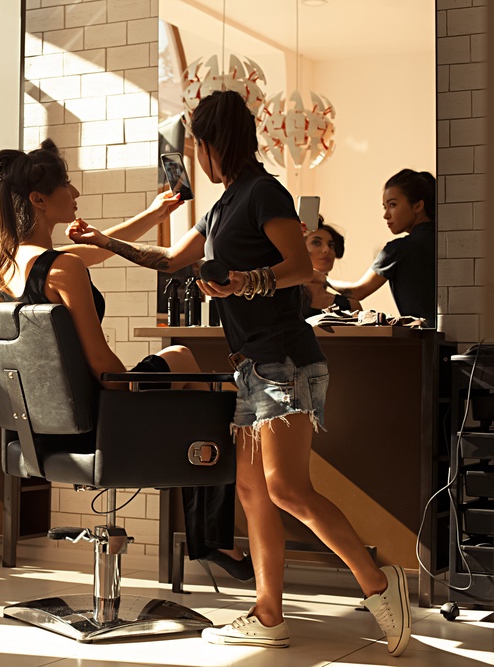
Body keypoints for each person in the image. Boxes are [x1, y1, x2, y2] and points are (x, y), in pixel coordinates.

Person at [68, 91, 411, 655]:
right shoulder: (223, 205)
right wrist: (104, 241)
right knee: (252, 489)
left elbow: (299, 266)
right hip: (253, 364)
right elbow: (173, 260)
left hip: (285, 358)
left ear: (213, 143)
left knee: (284, 487)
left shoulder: (263, 192)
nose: (198, 156)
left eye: (199, 144)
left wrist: (240, 284)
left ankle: (380, 583)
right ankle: (268, 613)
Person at [0, 138, 252, 582]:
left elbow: (101, 248)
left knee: (183, 374)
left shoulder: (13, 265)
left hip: (42, 427)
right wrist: (138, 390)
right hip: (101, 416)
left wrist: (156, 214)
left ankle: (209, 537)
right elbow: (100, 364)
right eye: (68, 186)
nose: (75, 195)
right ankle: (212, 538)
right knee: (195, 373)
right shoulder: (63, 268)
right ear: (39, 199)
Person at [316, 169, 436, 326]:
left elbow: (357, 291)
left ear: (418, 205)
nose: (386, 215)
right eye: (385, 207)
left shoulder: (398, 249)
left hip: (424, 339)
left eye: (392, 205)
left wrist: (321, 278)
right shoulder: (446, 240)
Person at [301, 220, 362, 319]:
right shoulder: (285, 300)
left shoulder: (351, 306)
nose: (327, 250)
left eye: (331, 245)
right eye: (316, 243)